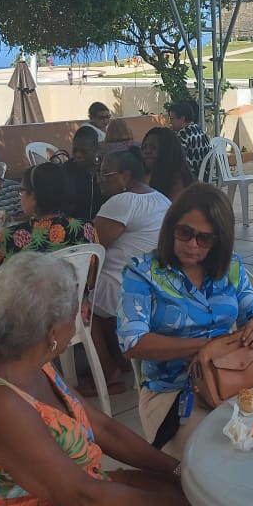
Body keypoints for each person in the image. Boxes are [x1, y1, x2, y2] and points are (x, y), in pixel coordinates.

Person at [0, 252, 199, 506]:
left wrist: (175, 470)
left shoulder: (29, 359)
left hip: (82, 503)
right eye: (78, 310)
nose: (83, 315)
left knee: (204, 505)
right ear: (52, 333)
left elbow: (102, 428)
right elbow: (82, 496)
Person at [118, 184, 253, 457]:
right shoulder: (142, 273)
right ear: (171, 227)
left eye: (205, 238)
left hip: (231, 380)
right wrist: (206, 347)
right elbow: (132, 342)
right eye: (185, 232)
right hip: (171, 392)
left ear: (219, 240)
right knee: (219, 451)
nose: (192, 244)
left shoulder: (230, 267)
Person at [89, 146, 170, 396]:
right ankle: (122, 356)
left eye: (105, 173)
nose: (100, 178)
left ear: (124, 175)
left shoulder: (121, 202)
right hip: (155, 282)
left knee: (78, 296)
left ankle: (106, 370)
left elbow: (93, 244)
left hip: (124, 287)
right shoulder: (159, 197)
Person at [0, 162, 96, 281]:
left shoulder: (9, 237)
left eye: (22, 191)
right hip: (71, 298)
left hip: (25, 299)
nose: (20, 196)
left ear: (34, 197)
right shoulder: (86, 229)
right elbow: (90, 278)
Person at [142, 126, 195, 201]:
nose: (147, 151)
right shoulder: (147, 176)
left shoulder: (177, 180)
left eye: (153, 147)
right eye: (144, 147)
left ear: (167, 150)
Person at [64, 126, 105, 221]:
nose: (78, 155)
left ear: (96, 150)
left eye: (83, 151)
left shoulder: (105, 169)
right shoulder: (66, 170)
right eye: (75, 150)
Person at [167, 100, 211, 180]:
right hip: (205, 175)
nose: (170, 122)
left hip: (191, 178)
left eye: (172, 119)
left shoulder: (183, 134)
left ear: (182, 119)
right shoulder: (199, 130)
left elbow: (178, 159)